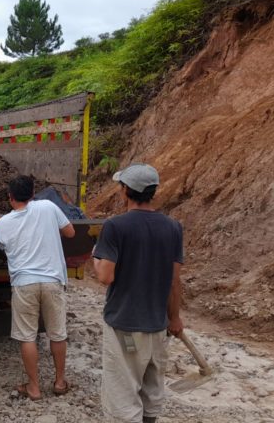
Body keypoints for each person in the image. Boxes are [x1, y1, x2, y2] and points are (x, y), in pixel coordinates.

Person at [92, 164, 184, 423]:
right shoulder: (173, 227)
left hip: (124, 325)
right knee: (151, 394)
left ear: (125, 191)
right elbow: (174, 281)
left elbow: (105, 276)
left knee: (123, 395)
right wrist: (174, 318)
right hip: (157, 325)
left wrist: (95, 257)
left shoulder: (115, 227)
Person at [0, 175, 75, 401]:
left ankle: (34, 387)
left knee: (27, 336)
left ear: (10, 198)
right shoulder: (48, 207)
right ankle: (60, 382)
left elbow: (2, 246)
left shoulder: (3, 223)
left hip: (24, 283)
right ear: (33, 194)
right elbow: (70, 233)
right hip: (52, 280)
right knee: (58, 333)